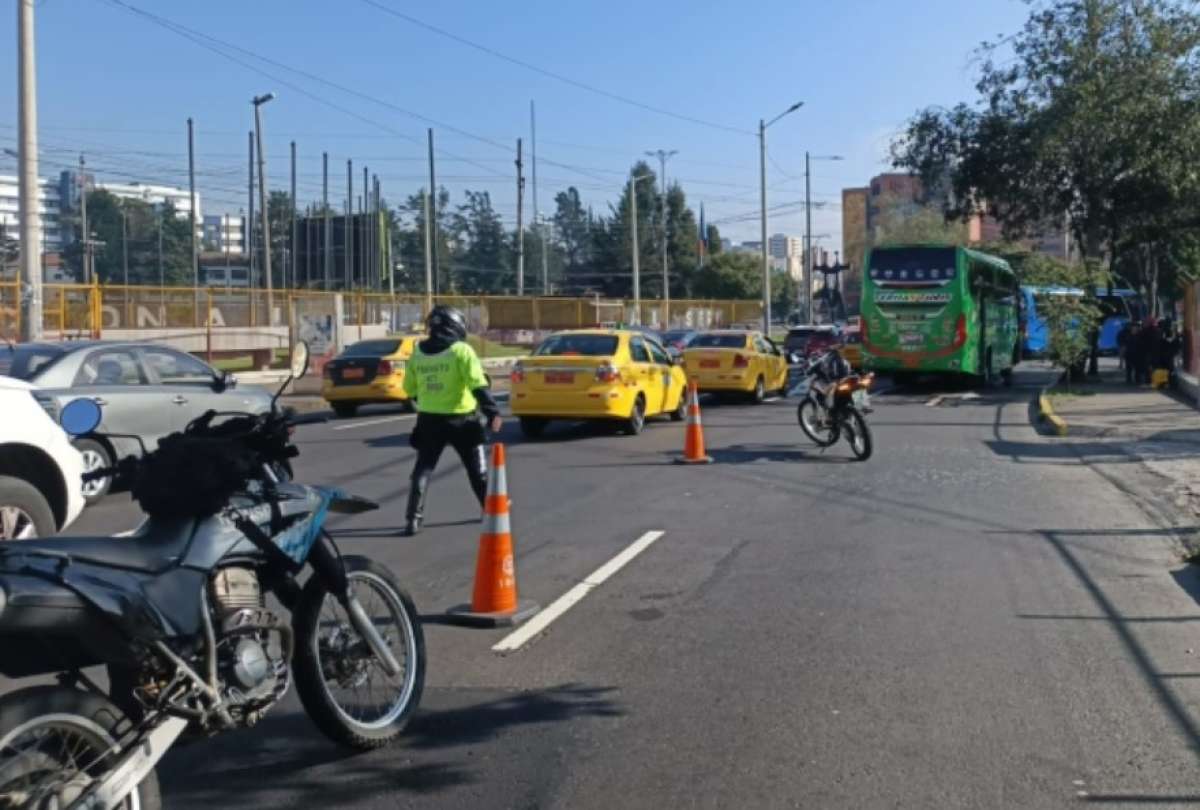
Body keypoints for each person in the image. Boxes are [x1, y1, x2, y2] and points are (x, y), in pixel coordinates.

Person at [401, 306, 502, 537]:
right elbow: (477, 384)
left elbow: (409, 389)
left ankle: (413, 519)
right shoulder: (461, 350)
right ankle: (490, 509)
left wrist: (428, 400)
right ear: (455, 325)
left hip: (428, 420)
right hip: (462, 420)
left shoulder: (418, 352)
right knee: (477, 470)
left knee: (423, 469)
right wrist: (493, 412)